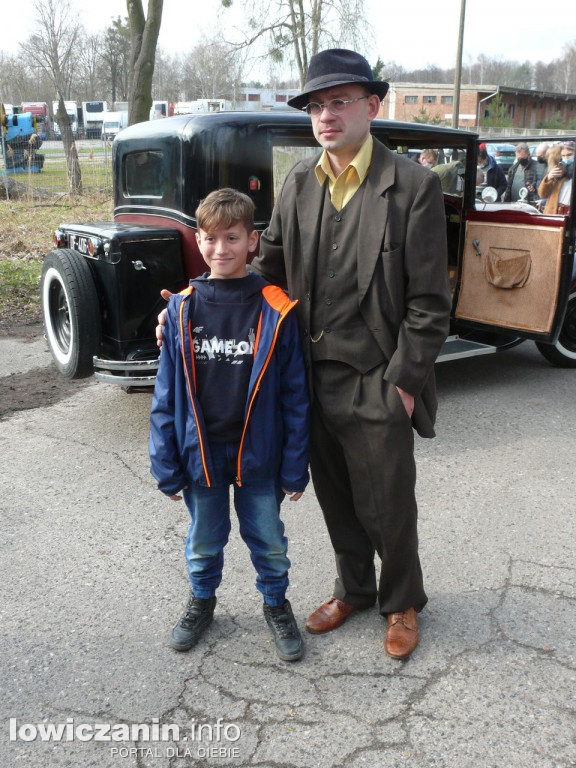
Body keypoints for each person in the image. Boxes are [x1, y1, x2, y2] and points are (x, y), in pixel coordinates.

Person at [157, 49, 451, 659]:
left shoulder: (414, 188)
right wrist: (189, 307)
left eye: (339, 101)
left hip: (377, 374)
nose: (325, 115)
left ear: (373, 105)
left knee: (388, 498)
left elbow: (429, 303)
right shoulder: (298, 182)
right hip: (308, 375)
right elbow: (267, 274)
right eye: (317, 105)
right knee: (334, 494)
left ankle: (400, 601)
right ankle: (355, 589)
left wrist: (403, 381)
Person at [149, 188, 310, 662]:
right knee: (203, 540)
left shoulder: (275, 309)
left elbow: (295, 396)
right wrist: (165, 463)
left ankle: (277, 604)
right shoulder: (181, 309)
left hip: (259, 452)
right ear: (198, 240)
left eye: (233, 238)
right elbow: (165, 396)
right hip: (202, 454)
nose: (221, 249)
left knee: (268, 538)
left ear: (253, 241)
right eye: (211, 238)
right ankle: (202, 601)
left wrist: (295, 465)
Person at [538, 140, 574, 216]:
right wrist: (548, 178)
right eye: (563, 156)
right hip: (555, 212)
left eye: (569, 155)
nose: (566, 158)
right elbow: (542, 194)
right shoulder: (558, 170)